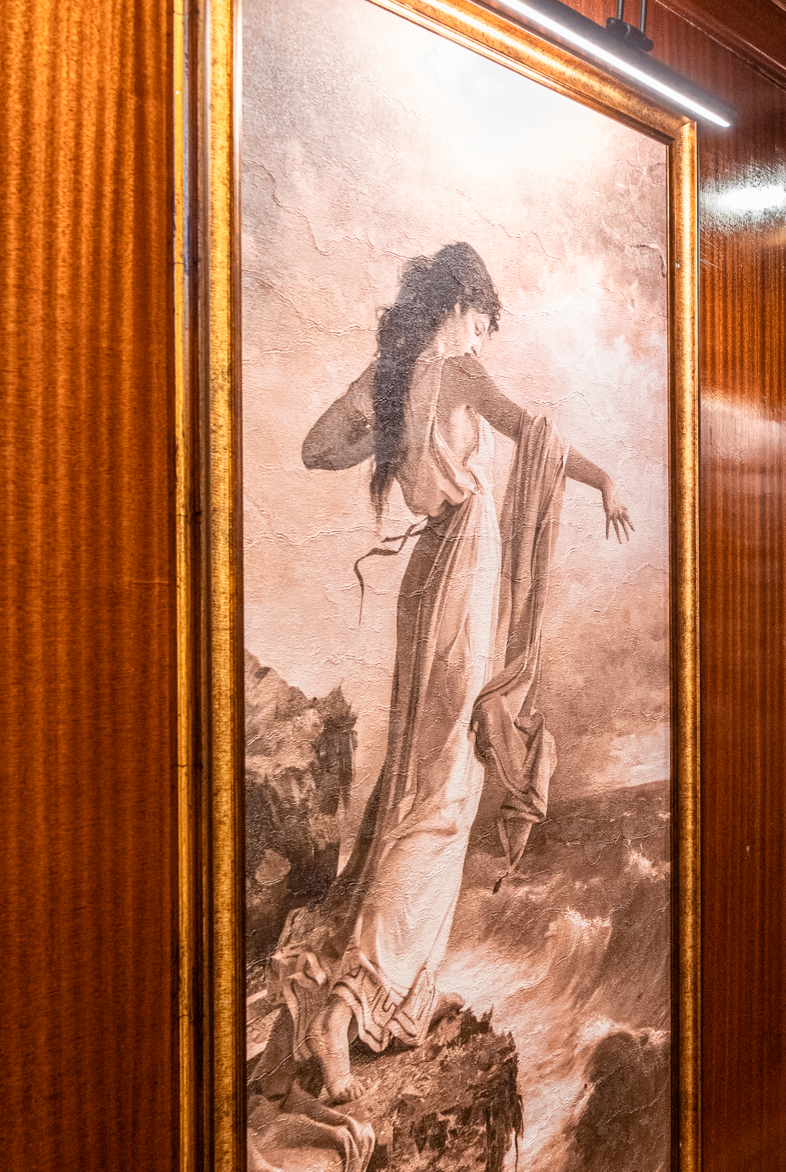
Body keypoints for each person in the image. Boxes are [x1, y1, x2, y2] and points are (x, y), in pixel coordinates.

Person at [293, 242, 634, 1104]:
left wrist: (390, 428)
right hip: (466, 560)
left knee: (426, 772)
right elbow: (533, 436)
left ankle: (385, 985)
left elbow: (316, 449)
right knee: (445, 786)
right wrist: (604, 479)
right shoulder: (463, 369)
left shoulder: (388, 374)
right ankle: (353, 1001)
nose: (485, 332)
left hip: (426, 573)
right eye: (484, 318)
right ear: (462, 305)